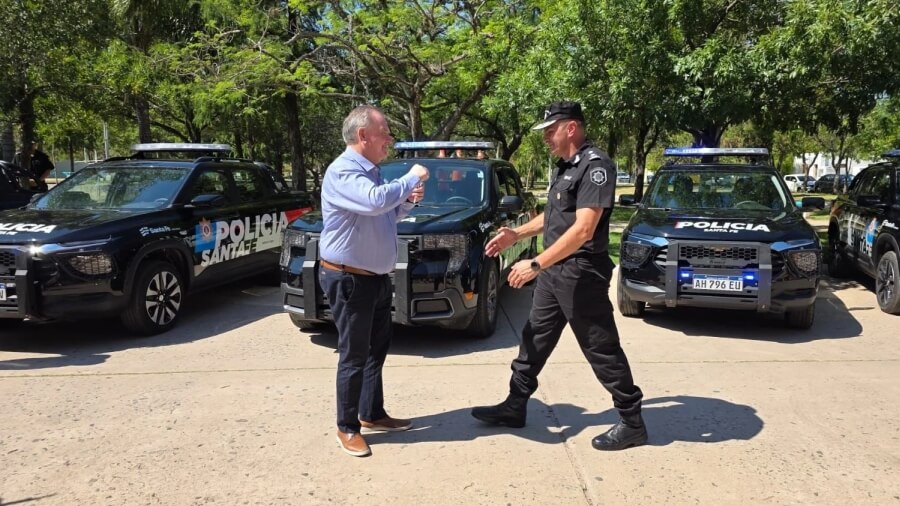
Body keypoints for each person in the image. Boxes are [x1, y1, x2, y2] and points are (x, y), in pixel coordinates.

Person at [470, 101, 647, 451]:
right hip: (555, 270)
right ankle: (515, 404)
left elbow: (583, 230)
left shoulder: (595, 167)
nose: (546, 138)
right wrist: (517, 236)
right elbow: (554, 217)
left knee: (601, 347)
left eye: (551, 130)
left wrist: (535, 264)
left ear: (571, 127)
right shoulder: (565, 167)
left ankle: (632, 421)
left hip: (580, 273)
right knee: (534, 337)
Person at [319, 105, 429, 457]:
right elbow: (373, 202)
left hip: (376, 277)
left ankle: (372, 414)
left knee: (376, 351)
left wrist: (407, 203)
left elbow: (384, 214)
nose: (390, 140)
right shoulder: (344, 171)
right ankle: (346, 427)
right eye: (385, 133)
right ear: (363, 135)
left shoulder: (372, 171)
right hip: (350, 279)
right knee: (353, 355)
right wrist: (411, 177)